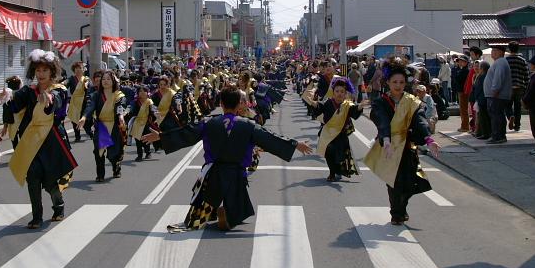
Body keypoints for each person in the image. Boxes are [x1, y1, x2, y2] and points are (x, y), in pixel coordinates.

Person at [142, 86, 312, 231]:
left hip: (212, 174)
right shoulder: (248, 125)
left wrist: (162, 137)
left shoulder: (208, 122)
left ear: (221, 104)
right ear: (239, 105)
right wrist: (295, 144)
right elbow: (270, 138)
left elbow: (187, 133)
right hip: (237, 175)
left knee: (198, 213)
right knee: (240, 211)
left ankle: (209, 212)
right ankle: (229, 215)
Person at [0, 50, 76, 229]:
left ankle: (59, 205)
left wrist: (49, 99)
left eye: (44, 71)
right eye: (38, 71)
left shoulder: (59, 90)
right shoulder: (29, 90)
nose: (40, 74)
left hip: (52, 141)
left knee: (50, 182)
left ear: (52, 72)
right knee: (32, 177)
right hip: (31, 141)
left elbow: (56, 102)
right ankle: (37, 216)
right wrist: (9, 94)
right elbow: (16, 101)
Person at [364, 59, 440, 225]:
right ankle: (396, 213)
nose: (398, 85)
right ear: (387, 83)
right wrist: (386, 140)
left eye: (401, 82)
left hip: (406, 146)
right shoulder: (381, 102)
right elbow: (382, 121)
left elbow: (419, 121)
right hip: (389, 147)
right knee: (393, 181)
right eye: (394, 82)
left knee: (409, 181)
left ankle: (402, 208)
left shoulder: (411, 101)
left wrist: (429, 139)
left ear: (406, 83)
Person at [303, 79, 364, 181]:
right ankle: (332, 173)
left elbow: (354, 111)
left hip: (341, 134)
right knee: (329, 152)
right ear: (333, 92)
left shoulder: (347, 105)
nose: (339, 94)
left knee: (339, 155)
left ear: (345, 93)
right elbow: (320, 107)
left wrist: (360, 107)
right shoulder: (328, 102)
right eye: (337, 91)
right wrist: (314, 104)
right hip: (327, 133)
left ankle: (338, 171)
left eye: (342, 92)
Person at [82, 71, 126, 181]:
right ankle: (100, 175)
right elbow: (90, 107)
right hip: (101, 125)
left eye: (108, 79)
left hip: (114, 125)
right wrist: (84, 117)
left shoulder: (118, 95)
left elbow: (120, 106)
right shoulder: (95, 95)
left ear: (113, 81)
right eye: (103, 79)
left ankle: (116, 167)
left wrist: (121, 116)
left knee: (115, 152)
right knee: (99, 151)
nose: (105, 81)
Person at [484, 45, 512, 144]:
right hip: (496, 95)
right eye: (492, 50)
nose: (493, 52)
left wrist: (494, 91)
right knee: (498, 115)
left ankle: (497, 136)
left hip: (497, 95)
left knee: (496, 116)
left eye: (495, 50)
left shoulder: (500, 62)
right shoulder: (499, 62)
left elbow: (498, 78)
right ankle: (499, 135)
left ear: (501, 52)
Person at [128, 85, 157, 161]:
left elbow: (153, 110)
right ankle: (139, 155)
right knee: (138, 140)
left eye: (144, 91)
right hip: (137, 123)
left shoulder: (149, 101)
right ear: (137, 93)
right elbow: (131, 111)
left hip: (146, 123)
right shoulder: (135, 102)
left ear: (147, 92)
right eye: (140, 91)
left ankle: (148, 152)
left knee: (146, 138)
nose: (142, 93)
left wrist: (155, 114)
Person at [505, 41, 529, 132]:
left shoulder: (506, 60)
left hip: (509, 87)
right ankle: (517, 125)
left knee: (507, 105)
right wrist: (527, 88)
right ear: (518, 49)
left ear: (509, 49)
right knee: (518, 107)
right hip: (520, 86)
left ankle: (510, 116)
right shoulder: (522, 60)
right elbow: (526, 75)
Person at [66, 61, 91, 142]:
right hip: (74, 102)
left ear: (83, 69)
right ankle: (77, 136)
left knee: (85, 120)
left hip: (84, 102)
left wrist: (86, 85)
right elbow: (65, 83)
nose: (78, 70)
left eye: (80, 68)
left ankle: (90, 133)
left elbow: (89, 86)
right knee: (74, 119)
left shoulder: (86, 79)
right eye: (76, 68)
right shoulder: (71, 79)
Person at [472, 62, 491, 140]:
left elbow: (477, 88)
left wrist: (475, 98)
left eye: (479, 67)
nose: (478, 68)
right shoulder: (488, 76)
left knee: (483, 117)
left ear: (482, 68)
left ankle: (485, 133)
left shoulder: (481, 77)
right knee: (486, 117)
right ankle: (486, 132)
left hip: (481, 99)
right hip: (487, 98)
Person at [452, 55, 470, 131]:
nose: (460, 62)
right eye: (459, 61)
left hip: (463, 92)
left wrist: (457, 69)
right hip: (461, 91)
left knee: (463, 110)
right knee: (463, 109)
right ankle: (464, 125)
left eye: (462, 61)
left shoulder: (465, 70)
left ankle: (465, 126)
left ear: (466, 62)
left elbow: (457, 79)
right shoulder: (462, 70)